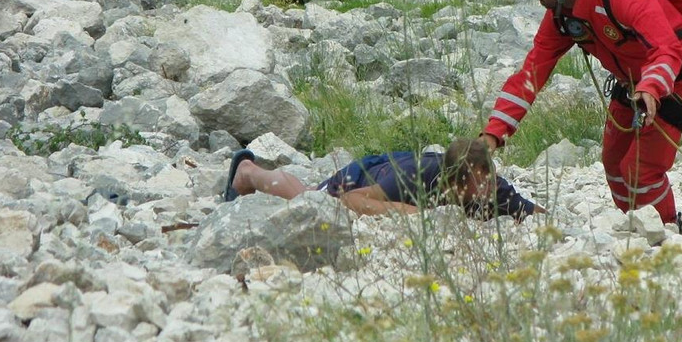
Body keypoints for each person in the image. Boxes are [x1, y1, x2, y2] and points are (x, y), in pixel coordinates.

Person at [481, 0, 682, 232]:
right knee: (613, 163)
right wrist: (492, 135)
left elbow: (667, 49)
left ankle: (666, 232)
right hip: (632, 83)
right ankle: (635, 226)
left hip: (676, 82)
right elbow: (530, 75)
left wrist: (650, 88)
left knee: (641, 170)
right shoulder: (562, 15)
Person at [222, 138, 545, 221]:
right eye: (478, 182)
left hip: (396, 169)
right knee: (313, 199)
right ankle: (249, 172)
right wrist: (410, 213)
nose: (486, 188)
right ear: (454, 179)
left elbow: (530, 213)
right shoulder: (420, 175)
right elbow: (353, 199)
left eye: (488, 178)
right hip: (365, 175)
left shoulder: (495, 189)